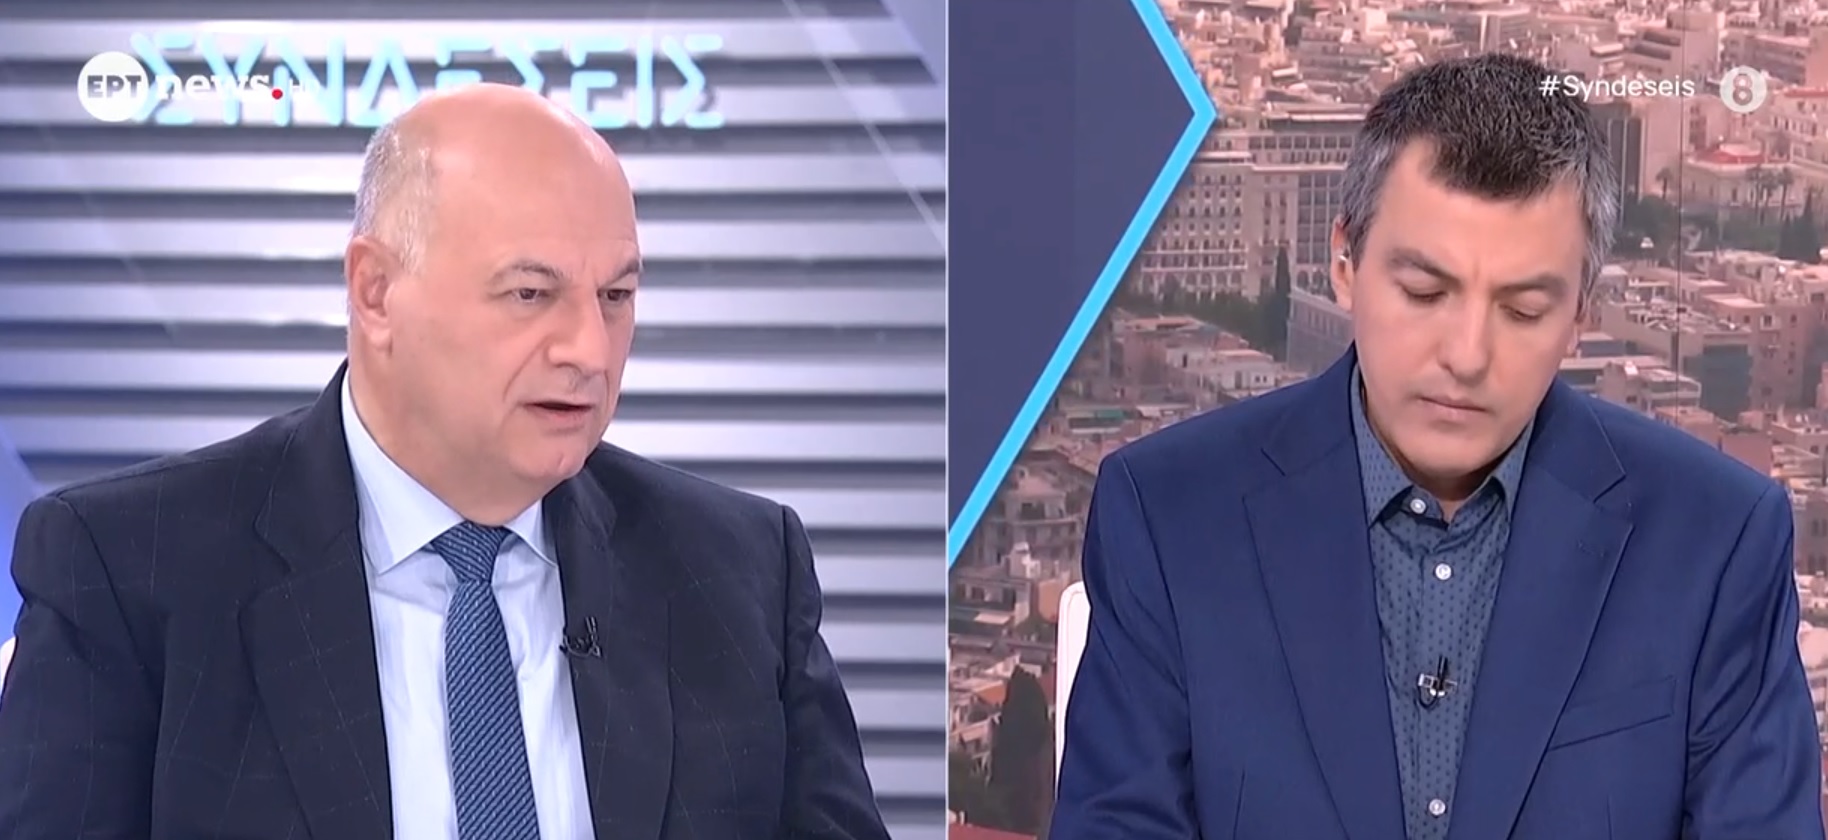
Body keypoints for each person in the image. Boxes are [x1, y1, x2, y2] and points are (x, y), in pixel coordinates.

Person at [0, 83, 891, 840]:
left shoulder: (739, 572)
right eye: (531, 293)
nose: (590, 349)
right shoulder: (130, 570)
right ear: (376, 292)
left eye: (616, 295)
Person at [1052, 53, 1824, 840]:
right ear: (1344, 263)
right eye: (1424, 293)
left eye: (1523, 310)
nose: (1466, 354)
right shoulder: (1169, 518)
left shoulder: (1717, 543)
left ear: (1581, 315)